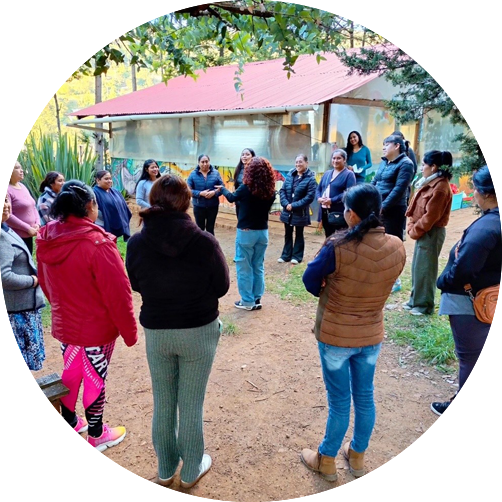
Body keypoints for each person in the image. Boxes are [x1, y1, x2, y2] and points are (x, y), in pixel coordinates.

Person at [125, 174, 230, 489]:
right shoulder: (204, 241)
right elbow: (222, 287)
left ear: (153, 200)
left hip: (158, 332)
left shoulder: (136, 242)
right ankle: (190, 470)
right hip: (198, 331)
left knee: (163, 401)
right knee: (191, 404)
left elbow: (136, 283)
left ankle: (165, 468)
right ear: (187, 202)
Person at [301, 184, 406, 481]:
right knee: (365, 397)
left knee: (339, 402)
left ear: (352, 215)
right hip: (371, 334)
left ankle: (326, 459)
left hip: (336, 335)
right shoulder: (397, 246)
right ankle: (357, 457)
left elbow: (310, 279)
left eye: (346, 209)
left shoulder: (337, 246)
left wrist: (325, 288)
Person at [36, 180, 138, 450]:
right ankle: (96, 434)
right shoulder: (98, 244)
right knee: (95, 377)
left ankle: (69, 422)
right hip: (96, 329)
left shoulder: (47, 237)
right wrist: (129, 332)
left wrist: (60, 309)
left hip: (66, 324)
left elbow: (45, 282)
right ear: (91, 206)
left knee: (71, 371)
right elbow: (119, 294)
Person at [431, 166, 501, 416]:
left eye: (476, 188)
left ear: (488, 194)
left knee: (471, 357)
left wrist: (443, 281)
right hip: (493, 297)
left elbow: (464, 269)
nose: (474, 192)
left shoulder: (487, 227)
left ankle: (466, 407)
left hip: (472, 302)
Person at [216, 156, 276, 311]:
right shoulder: (271, 192)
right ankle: (256, 298)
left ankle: (247, 301)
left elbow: (231, 198)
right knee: (258, 266)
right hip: (263, 232)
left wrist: (222, 189)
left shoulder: (245, 188)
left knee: (244, 267)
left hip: (246, 232)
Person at [404, 151, 453, 316]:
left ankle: (424, 306)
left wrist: (414, 230)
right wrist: (413, 225)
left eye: (424, 164)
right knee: (418, 267)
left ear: (433, 167)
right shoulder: (430, 182)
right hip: (423, 231)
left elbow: (431, 217)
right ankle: (414, 301)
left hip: (431, 232)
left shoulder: (440, 187)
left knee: (426, 270)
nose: (421, 168)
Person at [0, 194, 45, 371]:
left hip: (24, 308)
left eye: (5, 200)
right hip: (18, 313)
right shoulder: (1, 237)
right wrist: (33, 280)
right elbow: (4, 277)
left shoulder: (6, 229)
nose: (5, 205)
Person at [371, 135, 414, 292]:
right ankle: (381, 276)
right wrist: (369, 197)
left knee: (392, 246)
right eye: (383, 144)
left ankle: (395, 279)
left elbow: (399, 189)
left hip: (394, 210)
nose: (383, 147)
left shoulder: (406, 164)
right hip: (378, 208)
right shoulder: (384, 162)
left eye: (386, 144)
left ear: (397, 146)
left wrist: (383, 207)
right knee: (378, 243)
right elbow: (375, 181)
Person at [277, 154, 317, 264]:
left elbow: (309, 197)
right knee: (287, 233)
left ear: (306, 163)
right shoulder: (290, 174)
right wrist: (286, 204)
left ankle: (297, 256)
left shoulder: (310, 178)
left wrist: (293, 205)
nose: (298, 164)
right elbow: (282, 191)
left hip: (300, 212)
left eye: (300, 162)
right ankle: (286, 255)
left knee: (299, 233)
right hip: (287, 211)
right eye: (296, 162)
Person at [315, 149, 356, 238]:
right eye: (334, 158)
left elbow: (349, 192)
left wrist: (332, 200)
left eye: (338, 158)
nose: (335, 161)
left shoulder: (349, 174)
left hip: (339, 212)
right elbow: (318, 189)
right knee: (328, 236)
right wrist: (319, 198)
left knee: (339, 237)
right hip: (325, 211)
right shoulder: (327, 173)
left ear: (344, 160)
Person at [7, 161, 40, 254]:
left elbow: (33, 206)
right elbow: (8, 215)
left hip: (29, 235)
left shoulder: (22, 186)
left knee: (28, 259)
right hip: (16, 236)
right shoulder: (8, 190)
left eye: (21, 167)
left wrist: (37, 224)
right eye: (17, 168)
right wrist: (27, 228)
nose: (21, 170)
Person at [187, 154, 224, 235]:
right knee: (200, 229)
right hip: (199, 206)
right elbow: (188, 190)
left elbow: (222, 188)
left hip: (213, 206)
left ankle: (211, 243)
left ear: (209, 162)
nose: (205, 164)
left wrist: (214, 192)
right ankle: (200, 243)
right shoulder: (193, 174)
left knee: (210, 228)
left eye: (206, 161)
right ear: (198, 163)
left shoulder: (216, 173)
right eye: (202, 162)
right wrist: (200, 193)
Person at [93, 170, 132, 241]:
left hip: (116, 223)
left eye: (110, 179)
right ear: (98, 180)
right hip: (102, 226)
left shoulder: (115, 192)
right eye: (106, 179)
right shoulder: (94, 193)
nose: (109, 181)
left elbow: (124, 207)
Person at [233, 148, 256, 217]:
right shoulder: (239, 169)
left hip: (250, 203)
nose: (244, 156)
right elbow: (235, 184)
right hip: (239, 202)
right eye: (242, 155)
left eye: (247, 154)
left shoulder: (256, 170)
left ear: (253, 157)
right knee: (240, 221)